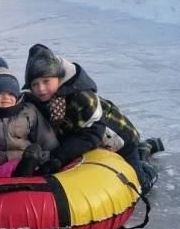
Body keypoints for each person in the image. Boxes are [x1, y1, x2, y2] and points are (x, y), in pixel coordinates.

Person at [23, 44, 163, 192]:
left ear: (59, 77)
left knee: (139, 185)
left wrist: (59, 157)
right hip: (88, 144)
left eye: (46, 81)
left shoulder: (81, 96)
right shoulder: (42, 99)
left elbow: (93, 134)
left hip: (119, 140)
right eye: (35, 84)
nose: (41, 89)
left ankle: (144, 154)